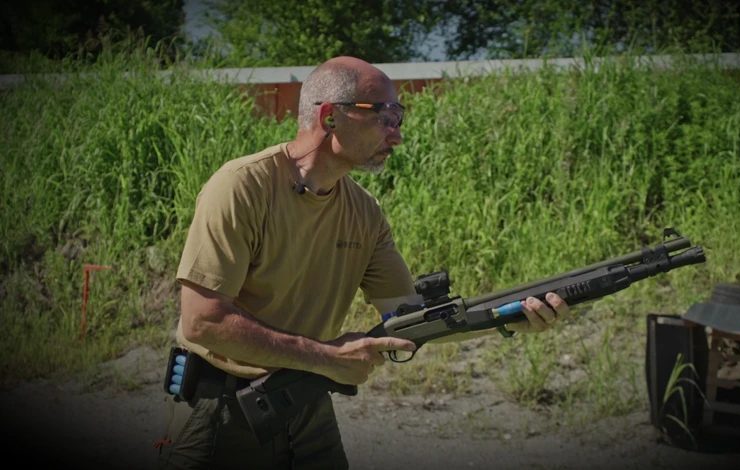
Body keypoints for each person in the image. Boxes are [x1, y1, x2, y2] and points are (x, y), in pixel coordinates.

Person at [155, 56, 571, 469]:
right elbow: (203, 321)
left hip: (305, 402)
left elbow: (409, 317)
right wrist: (324, 357)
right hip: (218, 411)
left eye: (399, 119)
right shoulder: (241, 187)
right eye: (386, 118)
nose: (397, 136)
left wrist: (504, 317)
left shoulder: (365, 211)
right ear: (330, 117)